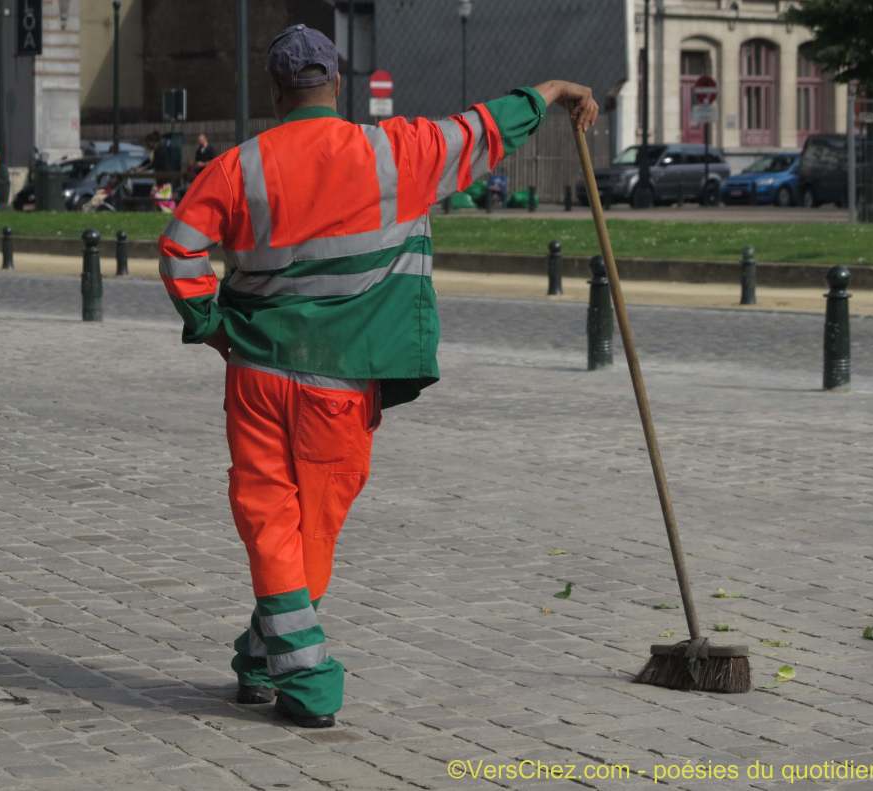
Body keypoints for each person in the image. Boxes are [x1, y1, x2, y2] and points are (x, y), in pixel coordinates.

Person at [157, 23, 598, 729]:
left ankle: (262, 653)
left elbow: (180, 250)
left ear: (275, 91)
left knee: (271, 518)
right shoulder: (399, 152)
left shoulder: (237, 166)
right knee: (314, 529)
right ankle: (306, 679)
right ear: (338, 83)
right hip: (342, 382)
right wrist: (552, 91)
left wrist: (214, 328)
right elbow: (487, 127)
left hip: (258, 374)